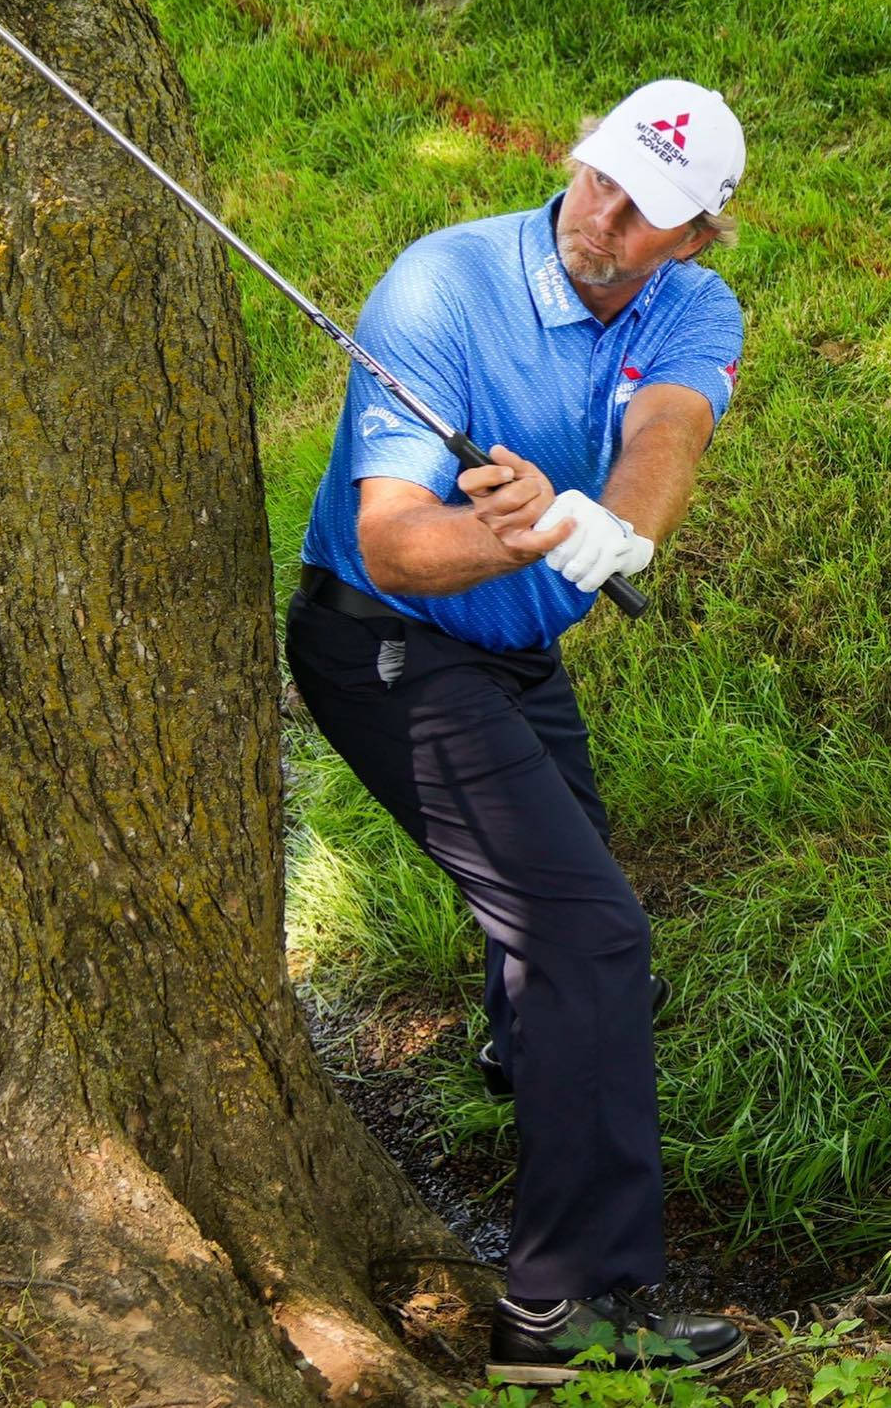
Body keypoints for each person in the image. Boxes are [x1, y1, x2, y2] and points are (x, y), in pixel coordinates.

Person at [285, 79, 748, 1384]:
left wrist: (614, 524)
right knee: (588, 934)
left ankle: (532, 1051)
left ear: (698, 233)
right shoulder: (442, 288)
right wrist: (512, 525)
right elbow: (389, 540)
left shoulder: (689, 303)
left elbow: (668, 424)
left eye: (646, 206)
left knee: (572, 951)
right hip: (388, 648)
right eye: (601, 174)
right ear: (574, 152)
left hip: (513, 654)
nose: (604, 212)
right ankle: (564, 1307)